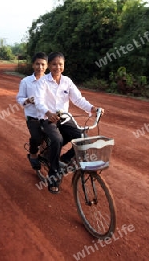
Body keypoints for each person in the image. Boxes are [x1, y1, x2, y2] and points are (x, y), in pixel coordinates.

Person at [35, 52, 104, 194]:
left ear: (64, 66)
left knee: (82, 138)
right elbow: (39, 101)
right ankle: (54, 176)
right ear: (49, 66)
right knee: (57, 139)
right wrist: (48, 113)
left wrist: (92, 108)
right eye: (54, 64)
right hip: (48, 119)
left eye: (60, 64)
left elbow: (78, 99)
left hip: (65, 118)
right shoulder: (43, 82)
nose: (57, 67)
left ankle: (64, 160)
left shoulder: (67, 81)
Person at [16, 52, 48, 171]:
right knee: (37, 137)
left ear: (47, 66)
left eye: (43, 64)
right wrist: (28, 100)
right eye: (37, 64)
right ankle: (33, 155)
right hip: (32, 116)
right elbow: (19, 98)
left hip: (47, 115)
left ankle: (46, 155)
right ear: (33, 65)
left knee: (55, 137)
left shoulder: (50, 80)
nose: (40, 67)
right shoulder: (26, 81)